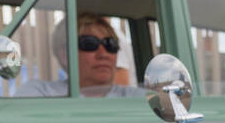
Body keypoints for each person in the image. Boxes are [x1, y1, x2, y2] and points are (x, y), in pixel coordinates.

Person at [16, 12, 146, 97]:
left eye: (110, 44)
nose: (104, 54)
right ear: (64, 55)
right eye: (90, 44)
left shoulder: (137, 99)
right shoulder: (39, 93)